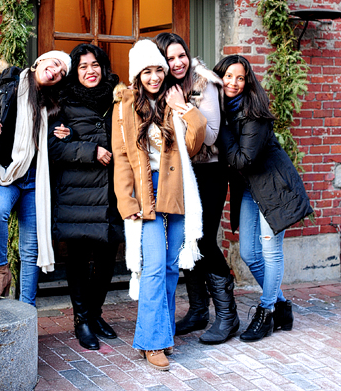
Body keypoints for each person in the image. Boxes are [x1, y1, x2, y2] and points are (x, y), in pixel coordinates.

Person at [112, 39, 207, 371]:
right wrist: (128, 201)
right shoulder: (124, 105)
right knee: (152, 265)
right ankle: (153, 343)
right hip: (145, 189)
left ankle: (159, 336)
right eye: (147, 71)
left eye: (159, 71)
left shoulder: (172, 101)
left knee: (170, 266)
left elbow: (194, 145)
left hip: (176, 187)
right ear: (137, 75)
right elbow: (122, 158)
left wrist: (187, 109)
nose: (154, 77)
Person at [214, 54, 312, 342]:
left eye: (239, 77)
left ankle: (267, 312)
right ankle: (281, 306)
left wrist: (219, 129)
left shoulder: (252, 112)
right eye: (228, 76)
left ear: (247, 81)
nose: (233, 82)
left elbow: (242, 160)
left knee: (270, 253)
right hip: (249, 189)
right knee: (248, 253)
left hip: (273, 188)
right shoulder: (225, 109)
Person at [0, 51, 71, 305]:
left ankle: (27, 309)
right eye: (54, 64)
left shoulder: (55, 101)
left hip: (36, 179)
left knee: (30, 248)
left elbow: (62, 132)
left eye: (61, 73)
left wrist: (66, 132)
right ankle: (1, 272)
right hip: (6, 173)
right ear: (39, 62)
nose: (56, 72)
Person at [154, 33, 239, 345]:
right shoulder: (161, 85)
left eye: (181, 56)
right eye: (170, 58)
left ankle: (228, 316)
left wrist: (181, 106)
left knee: (203, 238)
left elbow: (213, 135)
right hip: (180, 172)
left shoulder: (205, 82)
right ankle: (199, 310)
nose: (177, 63)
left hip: (210, 172)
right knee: (184, 238)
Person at [48, 44, 123, 350]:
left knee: (107, 259)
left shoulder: (118, 98)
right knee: (78, 259)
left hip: (112, 191)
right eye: (83, 67)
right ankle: (82, 321)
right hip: (77, 192)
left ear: (103, 67)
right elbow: (53, 148)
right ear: (75, 72)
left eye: (95, 65)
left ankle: (94, 313)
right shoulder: (62, 102)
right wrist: (90, 151)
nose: (90, 71)